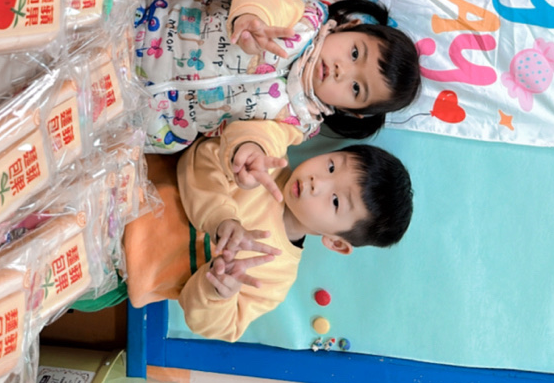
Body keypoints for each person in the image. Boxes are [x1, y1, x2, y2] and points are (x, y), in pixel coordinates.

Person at [122, 119, 414, 340]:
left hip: (120, 273)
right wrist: (222, 218)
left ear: (336, 242)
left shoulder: (278, 277)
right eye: (331, 166)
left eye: (336, 201)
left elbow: (220, 326)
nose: (318, 182)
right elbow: (199, 157)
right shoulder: (263, 164)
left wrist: (218, 292)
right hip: (121, 190)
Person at [135, 0, 421, 151]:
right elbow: (266, 1)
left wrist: (252, 151)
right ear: (350, 27)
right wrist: (252, 15)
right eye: (355, 53)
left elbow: (263, 141)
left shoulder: (299, 123)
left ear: (351, 111)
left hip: (154, 117)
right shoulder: (304, 18)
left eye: (356, 88)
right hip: (152, 25)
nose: (341, 71)